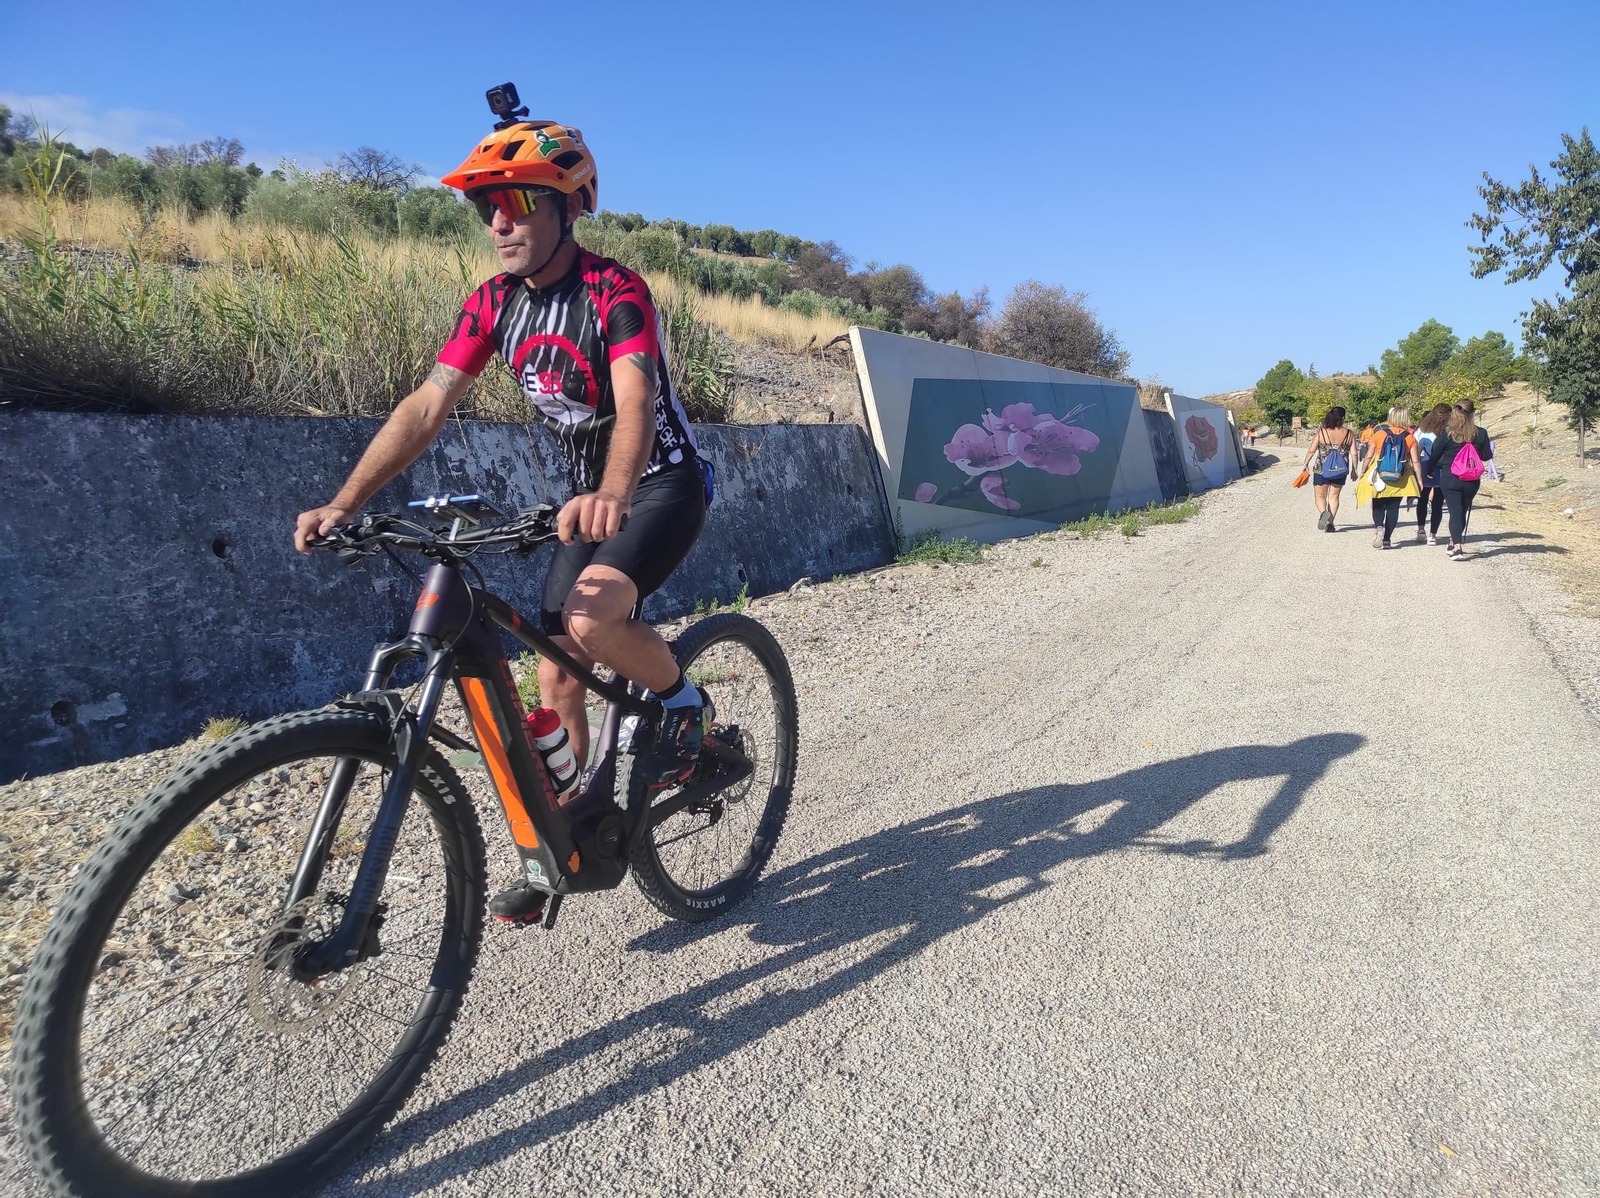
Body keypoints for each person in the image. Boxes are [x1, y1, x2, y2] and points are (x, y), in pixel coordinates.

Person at [293, 105, 711, 922]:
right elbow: (426, 405)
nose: (498, 221)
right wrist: (347, 501)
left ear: (570, 206)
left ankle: (685, 709)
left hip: (657, 483)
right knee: (556, 675)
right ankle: (571, 839)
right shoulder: (492, 303)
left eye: (518, 202)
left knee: (590, 621)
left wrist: (615, 491)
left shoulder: (614, 289)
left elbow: (635, 402)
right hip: (583, 506)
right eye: (487, 207)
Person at [1425, 400, 1494, 559]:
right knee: (1461, 510)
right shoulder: (1481, 433)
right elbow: (1486, 456)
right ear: (1473, 413)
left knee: (1455, 511)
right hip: (1471, 479)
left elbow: (1435, 454)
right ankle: (1452, 541)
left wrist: (1430, 470)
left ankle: (1457, 547)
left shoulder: (1448, 433)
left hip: (1451, 477)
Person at [1354, 406, 1423, 549]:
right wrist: (1419, 480)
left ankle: (1379, 527)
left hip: (1379, 473)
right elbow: (1415, 461)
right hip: (1400, 475)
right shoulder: (1410, 437)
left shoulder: (1379, 434)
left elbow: (1369, 456)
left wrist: (1363, 471)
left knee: (1378, 504)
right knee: (1393, 507)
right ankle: (1387, 539)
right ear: (1406, 419)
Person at [1300, 406, 1355, 532]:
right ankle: (1330, 524)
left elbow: (1312, 450)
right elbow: (1355, 453)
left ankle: (1323, 512)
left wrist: (1305, 464)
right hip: (1341, 469)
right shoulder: (1349, 433)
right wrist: (1354, 470)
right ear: (1343, 418)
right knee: (1334, 496)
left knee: (1320, 495)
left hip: (1321, 469)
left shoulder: (1322, 432)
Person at [1412, 403, 1449, 544]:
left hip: (1426, 466)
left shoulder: (1423, 430)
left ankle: (1421, 529)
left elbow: (1417, 450)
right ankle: (1433, 535)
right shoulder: (1449, 431)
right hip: (1443, 468)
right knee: (1438, 503)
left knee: (1422, 499)